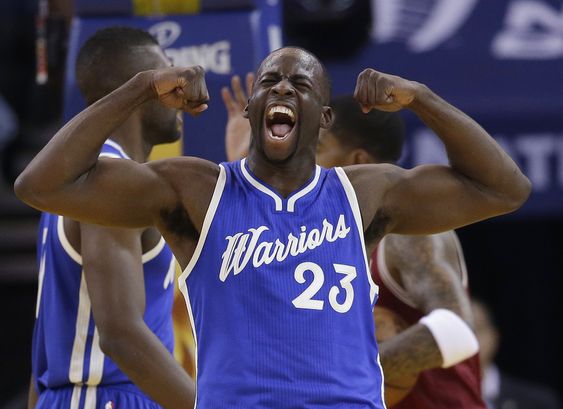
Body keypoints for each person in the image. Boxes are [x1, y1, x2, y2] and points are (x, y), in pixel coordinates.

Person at [15, 46, 531, 407]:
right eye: (269, 81)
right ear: (252, 106)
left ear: (324, 118)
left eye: (300, 83)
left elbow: (504, 188)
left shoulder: (363, 193)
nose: (282, 86)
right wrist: (140, 88)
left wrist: (423, 98)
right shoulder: (198, 189)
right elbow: (41, 186)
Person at [223, 80, 486, 408]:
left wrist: (355, 372)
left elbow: (457, 327)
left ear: (356, 159)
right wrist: (249, 178)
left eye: (316, 148)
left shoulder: (406, 232)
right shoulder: (309, 237)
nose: (300, 158)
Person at [26, 27, 195, 409]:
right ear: (137, 90)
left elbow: (45, 346)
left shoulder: (72, 184)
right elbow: (120, 334)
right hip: (104, 398)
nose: (179, 91)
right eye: (167, 76)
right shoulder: (108, 180)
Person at [472, 299, 561, 409]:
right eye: (460, 332)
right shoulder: (445, 400)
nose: (469, 339)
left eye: (476, 330)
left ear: (494, 337)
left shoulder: (537, 403)